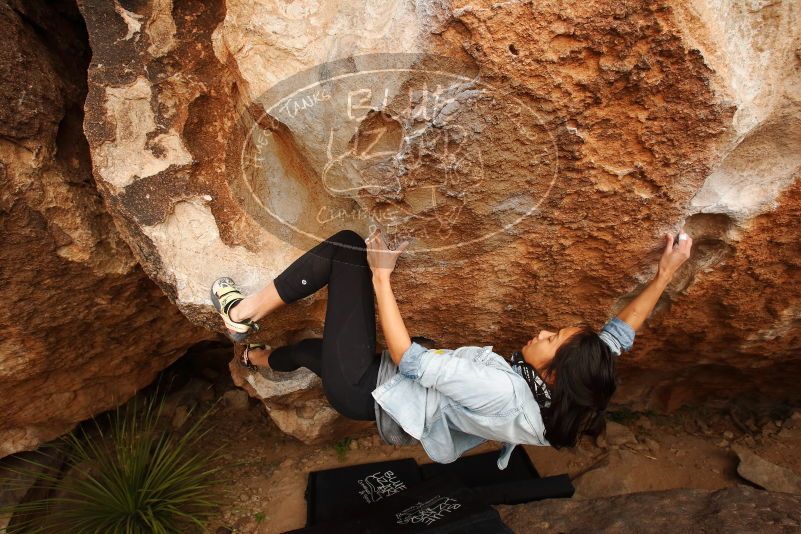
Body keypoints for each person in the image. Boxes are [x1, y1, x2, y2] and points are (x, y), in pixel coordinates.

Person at [210, 228, 693, 468]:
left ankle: (239, 314)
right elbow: (616, 337)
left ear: (552, 374)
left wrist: (381, 276)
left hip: (369, 388)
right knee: (313, 353)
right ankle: (255, 358)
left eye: (551, 340)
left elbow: (410, 360)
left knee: (348, 248)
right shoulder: (562, 393)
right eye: (554, 330)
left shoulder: (501, 392)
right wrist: (665, 275)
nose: (542, 332)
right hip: (384, 395)